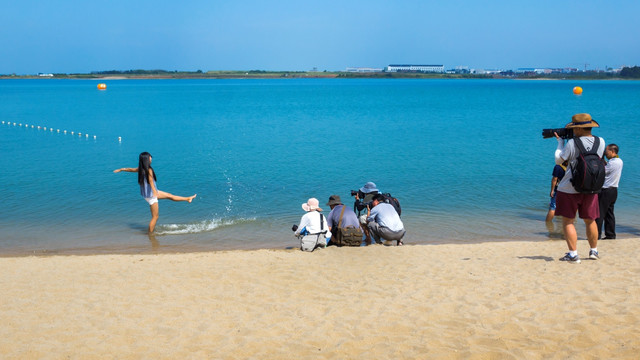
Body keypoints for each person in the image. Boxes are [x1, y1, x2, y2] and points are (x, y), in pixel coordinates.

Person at [553, 113, 605, 263]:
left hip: (569, 188)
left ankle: (573, 254)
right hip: (591, 186)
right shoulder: (601, 141)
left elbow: (559, 160)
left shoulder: (572, 143)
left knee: (568, 221)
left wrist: (560, 143)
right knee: (590, 220)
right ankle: (593, 251)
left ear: (578, 129)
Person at [114, 152, 197, 233]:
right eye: (150, 157)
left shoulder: (141, 169)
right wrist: (154, 192)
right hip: (151, 195)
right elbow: (150, 181)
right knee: (155, 217)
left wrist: (121, 169)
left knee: (169, 196)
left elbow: (131, 169)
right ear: (147, 159)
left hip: (148, 194)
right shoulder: (148, 170)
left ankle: (188, 198)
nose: (151, 158)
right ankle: (150, 234)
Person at [596, 144, 623, 240]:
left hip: (606, 190)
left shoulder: (612, 163)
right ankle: (610, 234)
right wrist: (603, 160)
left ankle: (596, 235)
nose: (605, 153)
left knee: (599, 213)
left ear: (612, 151)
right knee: (609, 214)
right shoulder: (619, 161)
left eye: (606, 152)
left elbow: (602, 171)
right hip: (614, 190)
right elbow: (607, 166)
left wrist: (599, 160)